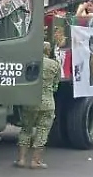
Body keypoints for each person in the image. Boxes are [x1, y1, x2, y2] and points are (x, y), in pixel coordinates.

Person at [16, 42, 61, 170]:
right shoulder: (55, 65)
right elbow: (56, 86)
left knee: (26, 129)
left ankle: (21, 159)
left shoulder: (30, 62)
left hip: (30, 101)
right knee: (42, 131)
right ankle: (36, 161)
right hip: (47, 103)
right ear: (48, 51)